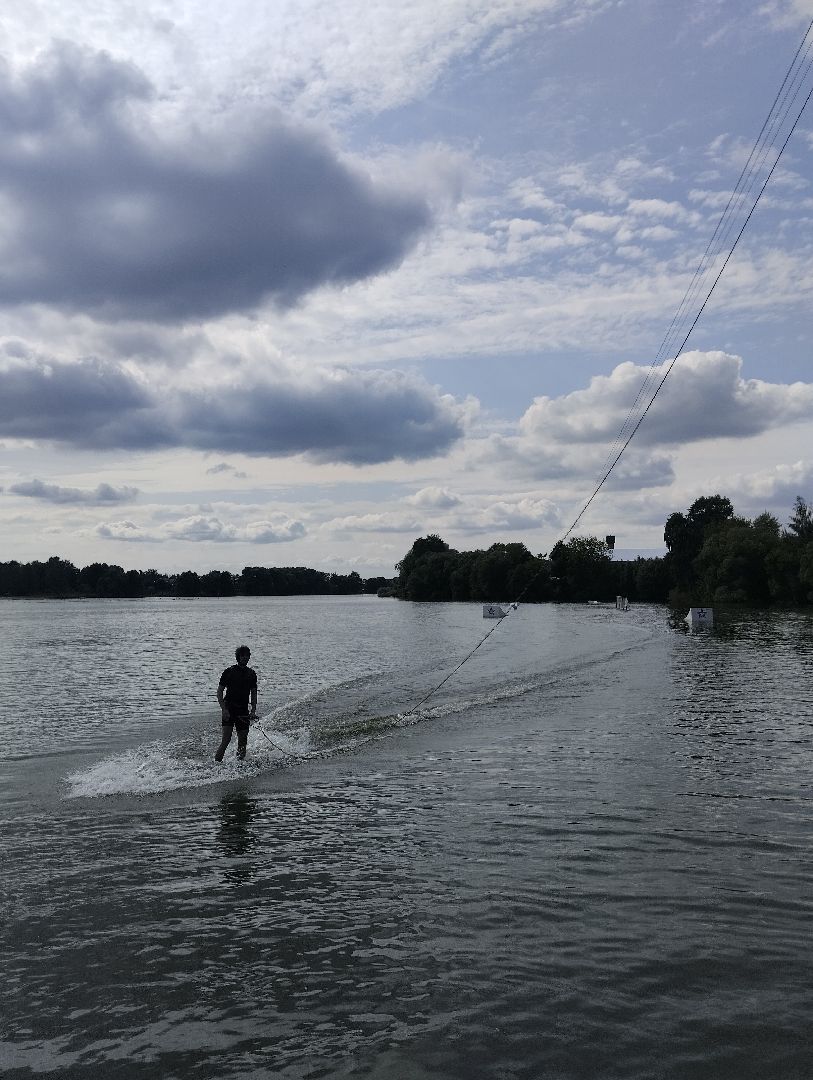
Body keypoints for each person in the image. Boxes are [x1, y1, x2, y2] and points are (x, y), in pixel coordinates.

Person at [215, 645, 257, 762]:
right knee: (226, 740)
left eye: (247, 656)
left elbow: (254, 693)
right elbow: (219, 692)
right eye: (243, 656)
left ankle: (239, 765)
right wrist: (224, 709)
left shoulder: (252, 674)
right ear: (238, 657)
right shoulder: (228, 672)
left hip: (243, 711)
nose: (245, 658)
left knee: (243, 741)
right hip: (229, 709)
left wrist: (253, 710)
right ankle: (216, 766)